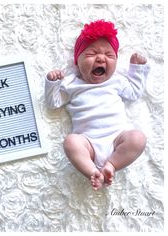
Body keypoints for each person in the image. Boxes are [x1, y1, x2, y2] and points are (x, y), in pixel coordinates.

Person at [45, 19, 149, 190]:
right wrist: (52, 83)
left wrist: (137, 69)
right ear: (77, 61)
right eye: (91, 54)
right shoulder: (71, 83)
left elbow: (134, 92)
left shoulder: (116, 81)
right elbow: (53, 103)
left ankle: (112, 165)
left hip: (118, 139)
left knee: (138, 138)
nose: (101, 58)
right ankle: (92, 171)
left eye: (109, 55)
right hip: (88, 143)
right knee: (71, 142)